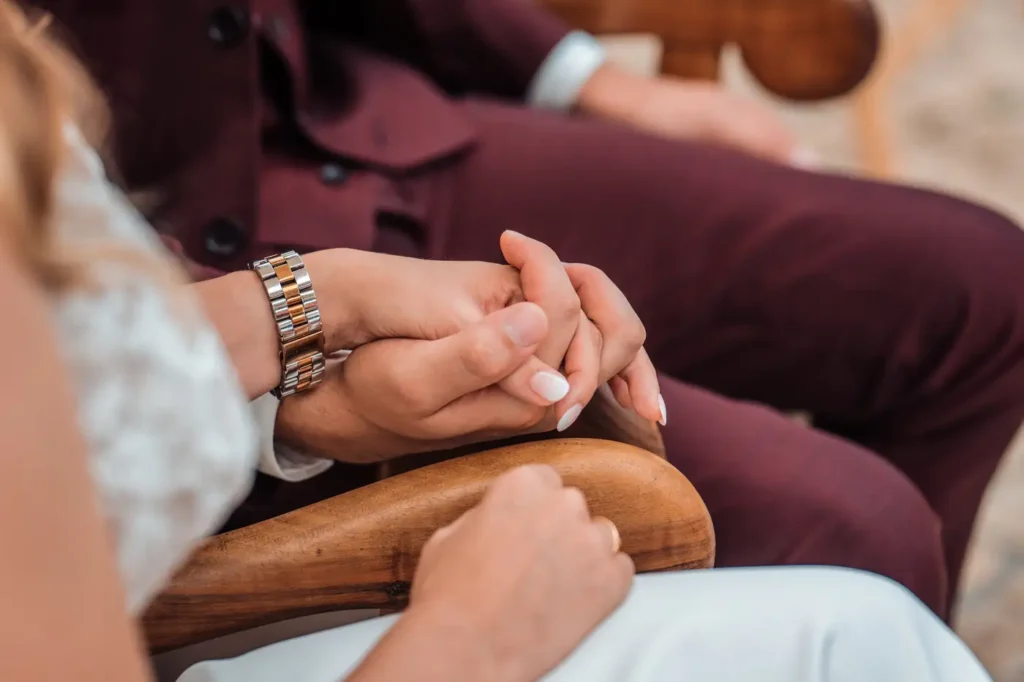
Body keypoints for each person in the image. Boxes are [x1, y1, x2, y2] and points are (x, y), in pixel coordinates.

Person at [0, 8, 994, 681]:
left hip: (349, 135)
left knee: (979, 282)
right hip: (183, 256)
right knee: (855, 542)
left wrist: (320, 310)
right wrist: (458, 645)